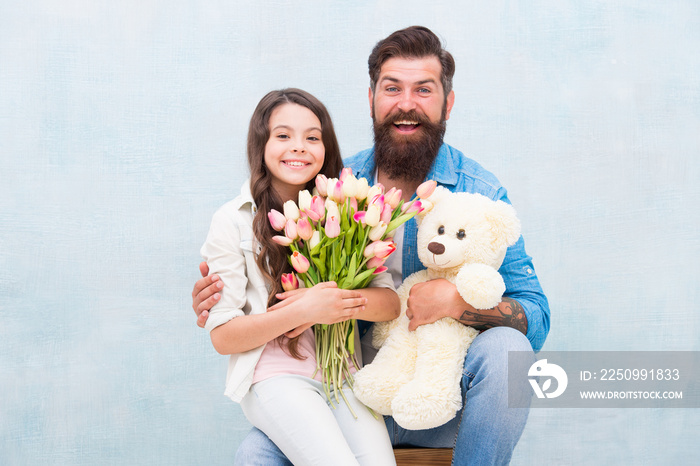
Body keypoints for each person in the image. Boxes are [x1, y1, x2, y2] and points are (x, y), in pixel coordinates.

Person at [193, 27, 550, 465]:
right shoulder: (334, 184)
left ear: (447, 104)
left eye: (423, 89)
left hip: (436, 395)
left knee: (509, 355)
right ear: (371, 99)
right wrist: (220, 299)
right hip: (342, 385)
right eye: (392, 88)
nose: (406, 103)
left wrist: (457, 302)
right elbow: (273, 259)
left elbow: (536, 317)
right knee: (254, 456)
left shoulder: (478, 193)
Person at [200, 88, 400, 466]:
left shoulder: (349, 213)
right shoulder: (232, 220)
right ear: (261, 143)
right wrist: (303, 310)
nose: (299, 147)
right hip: (275, 378)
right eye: (283, 136)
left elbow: (389, 305)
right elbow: (223, 337)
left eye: (312, 137)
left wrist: (334, 304)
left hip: (344, 374)